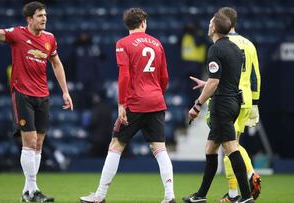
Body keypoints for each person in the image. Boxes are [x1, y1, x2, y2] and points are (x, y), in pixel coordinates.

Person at [0, 1, 73, 202]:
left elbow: (56, 63)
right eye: (39, 15)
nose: (44, 18)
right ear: (29, 19)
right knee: (30, 142)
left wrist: (65, 92)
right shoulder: (17, 34)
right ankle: (33, 191)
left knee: (39, 144)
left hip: (43, 95)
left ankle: (28, 192)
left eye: (45, 15)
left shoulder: (50, 39)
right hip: (22, 94)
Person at [80, 8, 176, 203]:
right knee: (160, 149)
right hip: (157, 101)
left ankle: (99, 196)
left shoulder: (123, 43)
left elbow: (124, 75)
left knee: (116, 145)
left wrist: (121, 103)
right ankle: (169, 196)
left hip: (135, 102)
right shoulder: (157, 43)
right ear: (142, 23)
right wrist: (158, 94)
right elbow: (164, 76)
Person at [189, 7, 262, 202]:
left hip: (222, 102)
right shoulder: (243, 45)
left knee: (231, 147)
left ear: (217, 26)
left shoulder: (217, 47)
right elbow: (254, 75)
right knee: (214, 148)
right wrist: (254, 101)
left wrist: (197, 104)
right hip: (240, 99)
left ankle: (239, 192)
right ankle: (201, 195)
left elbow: (215, 80)